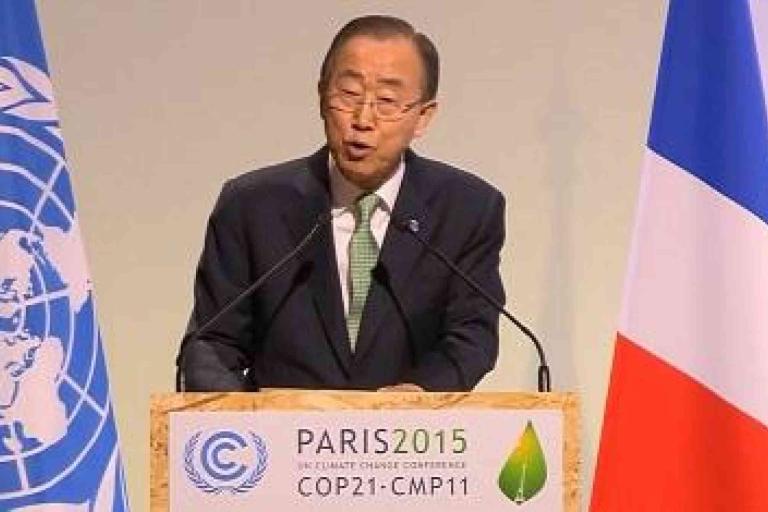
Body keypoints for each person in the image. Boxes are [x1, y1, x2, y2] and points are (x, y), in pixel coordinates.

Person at [178, 15, 505, 392]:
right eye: (348, 95)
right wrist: (244, 430)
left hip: (409, 442)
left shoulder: (467, 209)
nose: (363, 119)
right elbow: (213, 343)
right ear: (321, 96)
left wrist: (418, 397)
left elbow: (471, 337)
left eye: (386, 101)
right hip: (280, 441)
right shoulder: (251, 206)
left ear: (422, 116)